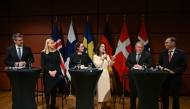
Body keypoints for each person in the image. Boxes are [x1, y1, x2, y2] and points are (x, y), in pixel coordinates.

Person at [158, 37, 187, 109]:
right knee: (164, 97)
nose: (165, 44)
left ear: (173, 43)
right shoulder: (162, 53)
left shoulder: (181, 53)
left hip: (175, 79)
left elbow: (183, 66)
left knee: (175, 97)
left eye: (167, 42)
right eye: (165, 43)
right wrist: (159, 67)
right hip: (165, 79)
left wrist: (173, 71)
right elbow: (159, 64)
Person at [126, 41, 152, 109]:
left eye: (141, 47)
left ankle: (142, 106)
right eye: (139, 47)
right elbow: (127, 62)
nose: (140, 49)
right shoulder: (131, 54)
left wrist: (142, 67)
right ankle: (133, 107)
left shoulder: (147, 54)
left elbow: (150, 64)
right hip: (133, 77)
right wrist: (132, 66)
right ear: (135, 47)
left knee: (142, 94)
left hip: (142, 77)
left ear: (143, 48)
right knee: (133, 94)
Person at [93, 42, 116, 109]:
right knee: (100, 91)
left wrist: (112, 59)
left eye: (104, 47)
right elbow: (98, 65)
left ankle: (105, 105)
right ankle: (99, 106)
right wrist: (102, 58)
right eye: (102, 46)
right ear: (98, 47)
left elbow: (110, 64)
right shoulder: (95, 56)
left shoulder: (106, 55)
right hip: (100, 74)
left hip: (106, 74)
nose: (103, 48)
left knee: (106, 90)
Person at [41, 38, 60, 109]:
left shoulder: (57, 52)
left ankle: (53, 106)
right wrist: (49, 71)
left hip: (55, 73)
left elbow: (58, 63)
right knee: (47, 91)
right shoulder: (43, 53)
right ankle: (47, 106)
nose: (53, 44)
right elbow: (42, 64)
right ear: (47, 44)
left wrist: (55, 71)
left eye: (53, 43)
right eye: (51, 43)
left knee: (54, 91)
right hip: (47, 74)